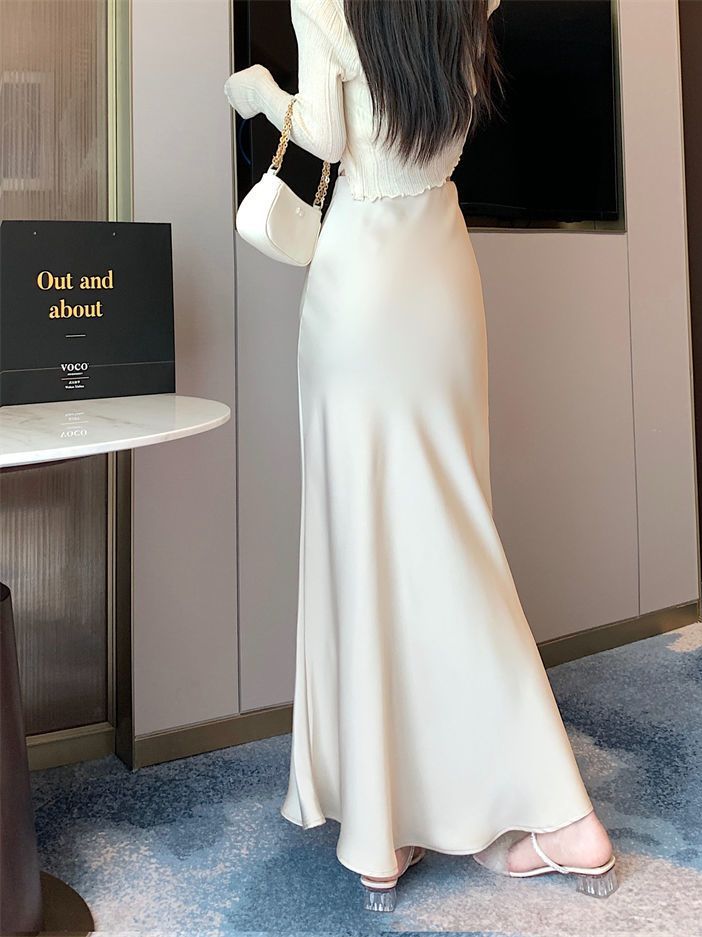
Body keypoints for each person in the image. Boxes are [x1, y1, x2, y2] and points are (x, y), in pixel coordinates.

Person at [224, 0, 617, 913]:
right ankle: (413, 816)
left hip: (361, 280)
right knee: (448, 531)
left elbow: (325, 135)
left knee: (366, 537)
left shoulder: (324, 2)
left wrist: (261, 94)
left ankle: (431, 828)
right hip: (442, 271)